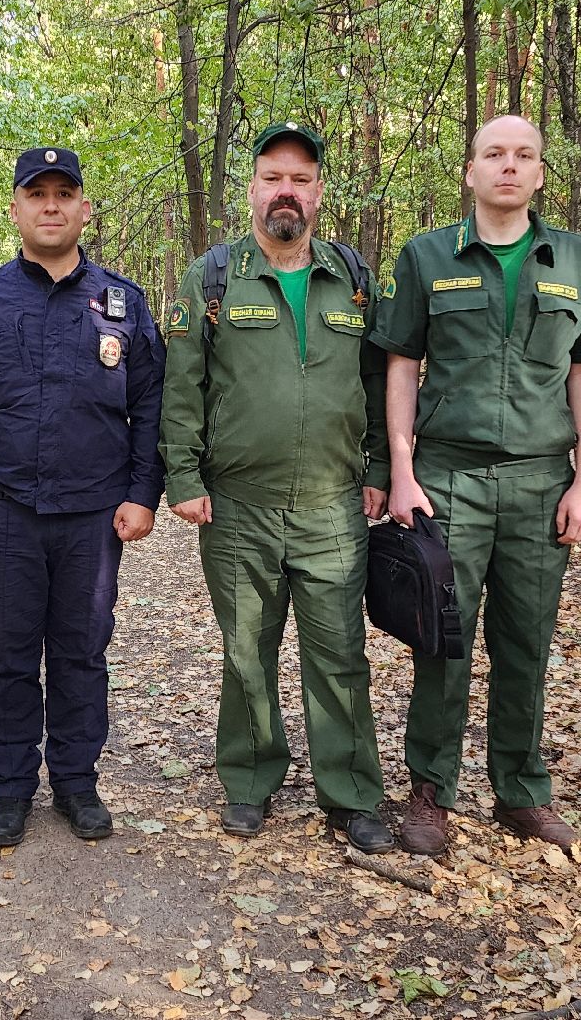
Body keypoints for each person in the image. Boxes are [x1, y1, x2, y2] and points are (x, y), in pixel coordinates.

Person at [372, 114, 581, 853]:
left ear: (541, 173)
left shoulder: (576, 259)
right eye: (493, 155)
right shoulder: (424, 258)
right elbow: (399, 366)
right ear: (471, 172)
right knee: (440, 639)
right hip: (449, 476)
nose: (508, 167)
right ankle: (430, 792)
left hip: (543, 480)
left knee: (526, 643)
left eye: (523, 156)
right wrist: (403, 470)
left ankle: (520, 791)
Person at [0, 147, 163, 846]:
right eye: (37, 194)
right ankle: (11, 787)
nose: (50, 206)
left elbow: (150, 408)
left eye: (64, 193)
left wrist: (144, 492)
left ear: (84, 208)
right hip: (5, 511)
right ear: (16, 208)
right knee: (9, 651)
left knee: (83, 650)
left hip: (92, 513)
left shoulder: (122, 303)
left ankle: (77, 783)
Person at [159, 121, 394, 855]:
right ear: (252, 189)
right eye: (271, 177)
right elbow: (183, 386)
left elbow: (381, 381)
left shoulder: (352, 278)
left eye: (300, 179)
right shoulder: (214, 277)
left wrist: (382, 470)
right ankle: (250, 781)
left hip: (332, 505)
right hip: (238, 508)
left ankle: (351, 794)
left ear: (318, 193)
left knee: (339, 654)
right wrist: (183, 476)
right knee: (246, 652)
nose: (284, 191)